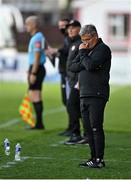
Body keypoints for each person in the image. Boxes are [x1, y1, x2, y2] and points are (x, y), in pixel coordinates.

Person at [70, 24, 111, 167]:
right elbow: (73, 67)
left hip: (97, 93)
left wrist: (83, 55)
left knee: (96, 127)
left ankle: (99, 160)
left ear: (95, 36)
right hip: (84, 93)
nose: (85, 43)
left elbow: (91, 66)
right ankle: (93, 158)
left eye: (87, 39)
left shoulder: (103, 49)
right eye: (83, 40)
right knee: (88, 129)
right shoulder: (86, 49)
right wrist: (85, 59)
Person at [64, 20, 88, 145]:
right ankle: (84, 134)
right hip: (72, 80)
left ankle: (77, 134)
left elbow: (82, 64)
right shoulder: (73, 43)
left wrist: (79, 81)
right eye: (69, 28)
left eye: (73, 28)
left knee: (72, 106)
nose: (70, 30)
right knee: (77, 107)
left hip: (78, 82)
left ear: (79, 29)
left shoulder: (80, 44)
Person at [25, 16, 46, 129]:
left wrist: (33, 72)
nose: (26, 26)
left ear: (34, 25)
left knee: (36, 95)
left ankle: (39, 124)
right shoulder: (36, 37)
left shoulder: (37, 37)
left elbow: (37, 57)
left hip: (37, 68)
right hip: (34, 67)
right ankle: (38, 123)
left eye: (27, 24)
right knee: (33, 95)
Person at [57, 18, 73, 136]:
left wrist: (58, 52)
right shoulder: (67, 39)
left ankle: (73, 128)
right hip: (64, 73)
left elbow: (68, 54)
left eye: (63, 25)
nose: (61, 28)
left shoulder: (71, 40)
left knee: (70, 101)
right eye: (60, 26)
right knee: (66, 101)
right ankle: (71, 126)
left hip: (68, 74)